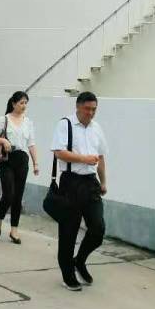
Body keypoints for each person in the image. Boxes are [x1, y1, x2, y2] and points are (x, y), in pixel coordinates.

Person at [51, 91, 108, 291]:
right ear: (78, 106)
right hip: (71, 182)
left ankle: (79, 260)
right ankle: (68, 275)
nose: (90, 113)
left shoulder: (96, 128)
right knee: (69, 231)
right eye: (87, 108)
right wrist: (84, 159)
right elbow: (59, 152)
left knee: (98, 228)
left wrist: (103, 182)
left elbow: (101, 157)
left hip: (91, 183)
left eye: (94, 109)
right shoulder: (65, 124)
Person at [0, 90, 39, 244]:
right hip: (7, 160)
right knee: (8, 194)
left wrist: (36, 163)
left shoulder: (28, 122)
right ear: (13, 103)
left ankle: (14, 230)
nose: (24, 106)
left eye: (26, 103)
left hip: (22, 160)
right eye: (21, 103)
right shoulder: (4, 119)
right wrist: (3, 141)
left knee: (18, 196)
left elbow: (31, 144)